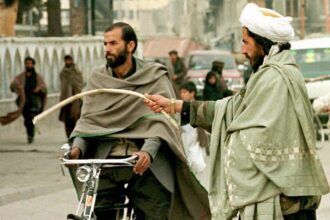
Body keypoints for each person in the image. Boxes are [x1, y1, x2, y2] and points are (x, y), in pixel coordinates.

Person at [145, 3, 329, 219]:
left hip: (284, 206)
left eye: (245, 42)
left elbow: (253, 132)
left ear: (263, 43)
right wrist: (176, 106)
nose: (242, 50)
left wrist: (233, 141)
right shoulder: (269, 75)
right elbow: (232, 108)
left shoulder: (275, 79)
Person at [67, 22, 210, 220]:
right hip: (106, 161)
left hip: (145, 161)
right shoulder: (97, 79)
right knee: (96, 210)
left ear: (130, 46)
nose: (107, 49)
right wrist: (77, 149)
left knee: (155, 209)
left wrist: (148, 153)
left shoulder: (153, 76)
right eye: (105, 44)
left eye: (113, 43)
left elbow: (163, 122)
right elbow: (88, 122)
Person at [0, 57, 47, 144]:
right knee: (26, 119)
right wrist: (17, 87)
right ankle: (30, 134)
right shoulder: (21, 77)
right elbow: (12, 87)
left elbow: (44, 88)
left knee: (30, 118)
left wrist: (39, 88)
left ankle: (31, 135)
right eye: (26, 63)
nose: (28, 65)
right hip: (23, 102)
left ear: (33, 64)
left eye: (30, 63)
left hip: (34, 102)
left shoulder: (37, 77)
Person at [180, 82, 209, 183]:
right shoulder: (181, 107)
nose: (182, 94)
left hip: (197, 138)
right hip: (186, 137)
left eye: (185, 92)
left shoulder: (198, 106)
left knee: (197, 163)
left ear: (192, 93)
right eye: (181, 92)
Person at [59, 55, 84, 139]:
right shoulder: (63, 73)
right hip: (66, 99)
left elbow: (80, 83)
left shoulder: (76, 72)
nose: (68, 62)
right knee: (67, 120)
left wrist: (74, 88)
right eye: (66, 60)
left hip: (75, 99)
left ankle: (75, 136)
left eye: (69, 60)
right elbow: (63, 86)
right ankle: (69, 136)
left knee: (75, 118)